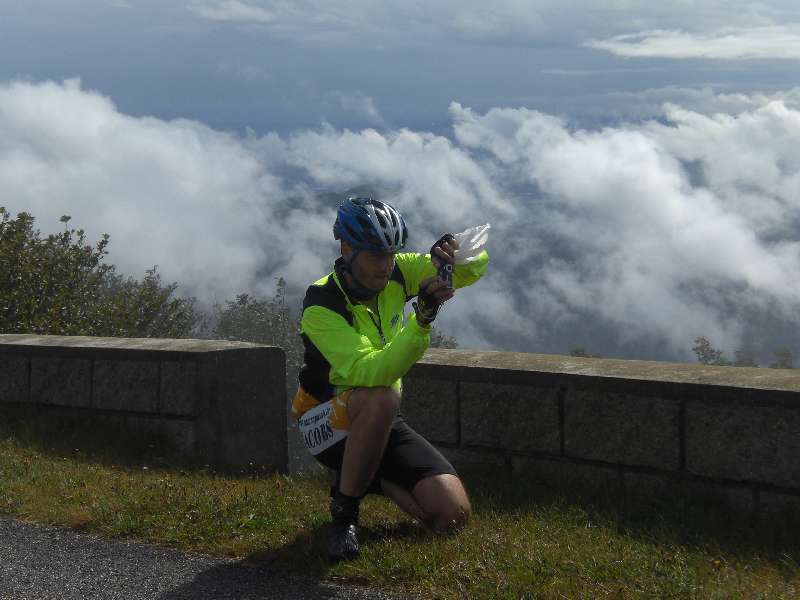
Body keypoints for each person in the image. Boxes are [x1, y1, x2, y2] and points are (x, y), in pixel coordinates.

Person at [291, 196, 489, 562]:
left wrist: (454, 255)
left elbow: (470, 272)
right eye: (375, 255)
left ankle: (375, 477)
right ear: (347, 249)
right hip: (324, 420)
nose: (386, 265)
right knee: (381, 395)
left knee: (451, 514)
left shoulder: (399, 270)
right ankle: (344, 515)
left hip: (380, 417)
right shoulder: (322, 304)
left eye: (392, 254)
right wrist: (423, 320)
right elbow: (373, 372)